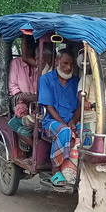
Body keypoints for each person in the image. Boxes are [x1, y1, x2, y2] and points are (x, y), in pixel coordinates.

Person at [38, 49, 81, 185]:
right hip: (51, 122)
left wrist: (73, 121)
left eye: (71, 64)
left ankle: (79, 169)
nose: (68, 68)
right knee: (64, 131)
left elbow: (80, 105)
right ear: (57, 61)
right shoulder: (46, 79)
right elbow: (49, 107)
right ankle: (55, 170)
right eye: (65, 63)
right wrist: (65, 124)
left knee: (88, 132)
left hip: (72, 120)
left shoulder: (76, 81)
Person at [7, 35, 44, 149]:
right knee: (16, 119)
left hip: (38, 101)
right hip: (22, 100)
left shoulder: (43, 64)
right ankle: (34, 147)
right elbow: (13, 88)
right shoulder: (16, 63)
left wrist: (37, 65)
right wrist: (26, 98)